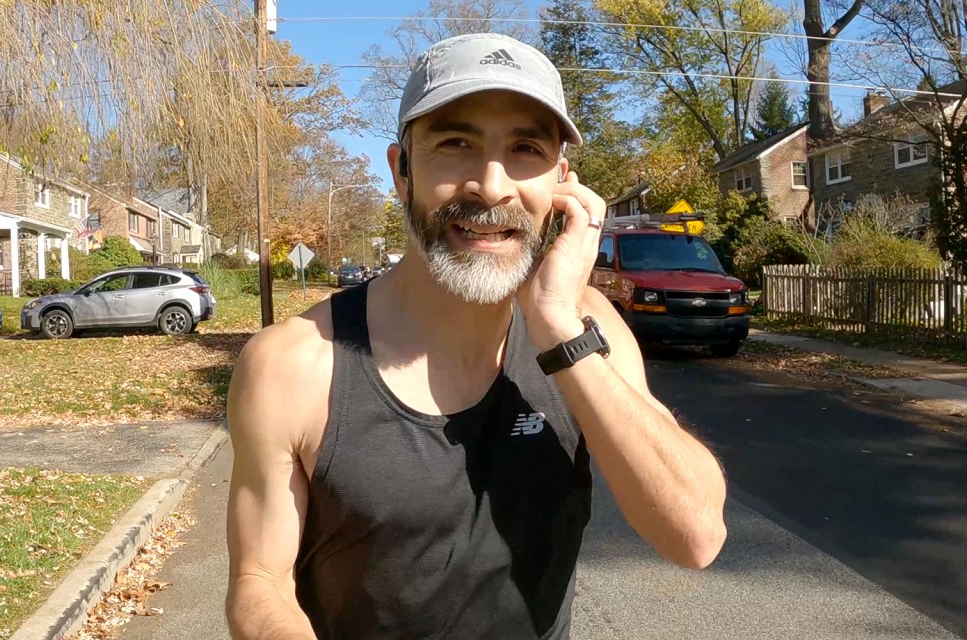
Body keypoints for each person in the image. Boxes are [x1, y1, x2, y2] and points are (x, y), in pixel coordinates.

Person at [225, 32, 727, 640]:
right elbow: (259, 579)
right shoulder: (292, 364)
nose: (492, 187)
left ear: (560, 182)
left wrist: (558, 329)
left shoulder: (586, 326)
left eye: (525, 149)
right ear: (402, 171)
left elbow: (695, 535)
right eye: (455, 144)